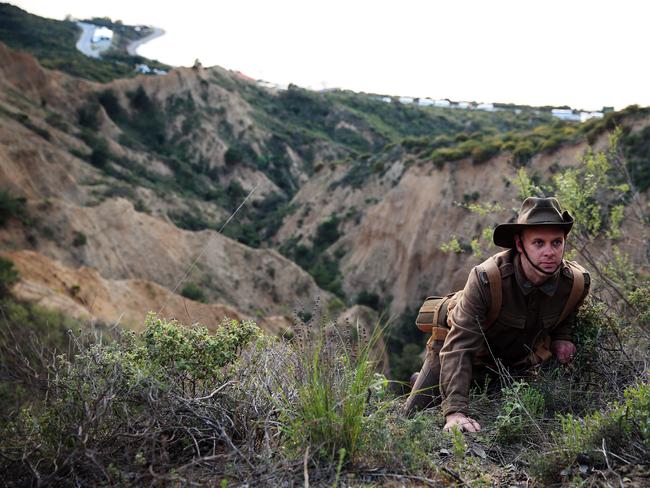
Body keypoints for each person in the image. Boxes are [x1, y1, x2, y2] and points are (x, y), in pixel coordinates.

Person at [404, 197, 590, 432]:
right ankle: (425, 382)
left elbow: (568, 309)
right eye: (539, 243)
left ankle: (442, 386)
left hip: (511, 361)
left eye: (556, 242)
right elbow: (460, 345)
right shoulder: (485, 279)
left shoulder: (576, 282)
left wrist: (563, 336)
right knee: (412, 421)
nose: (550, 252)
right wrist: (455, 412)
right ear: (520, 245)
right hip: (457, 349)